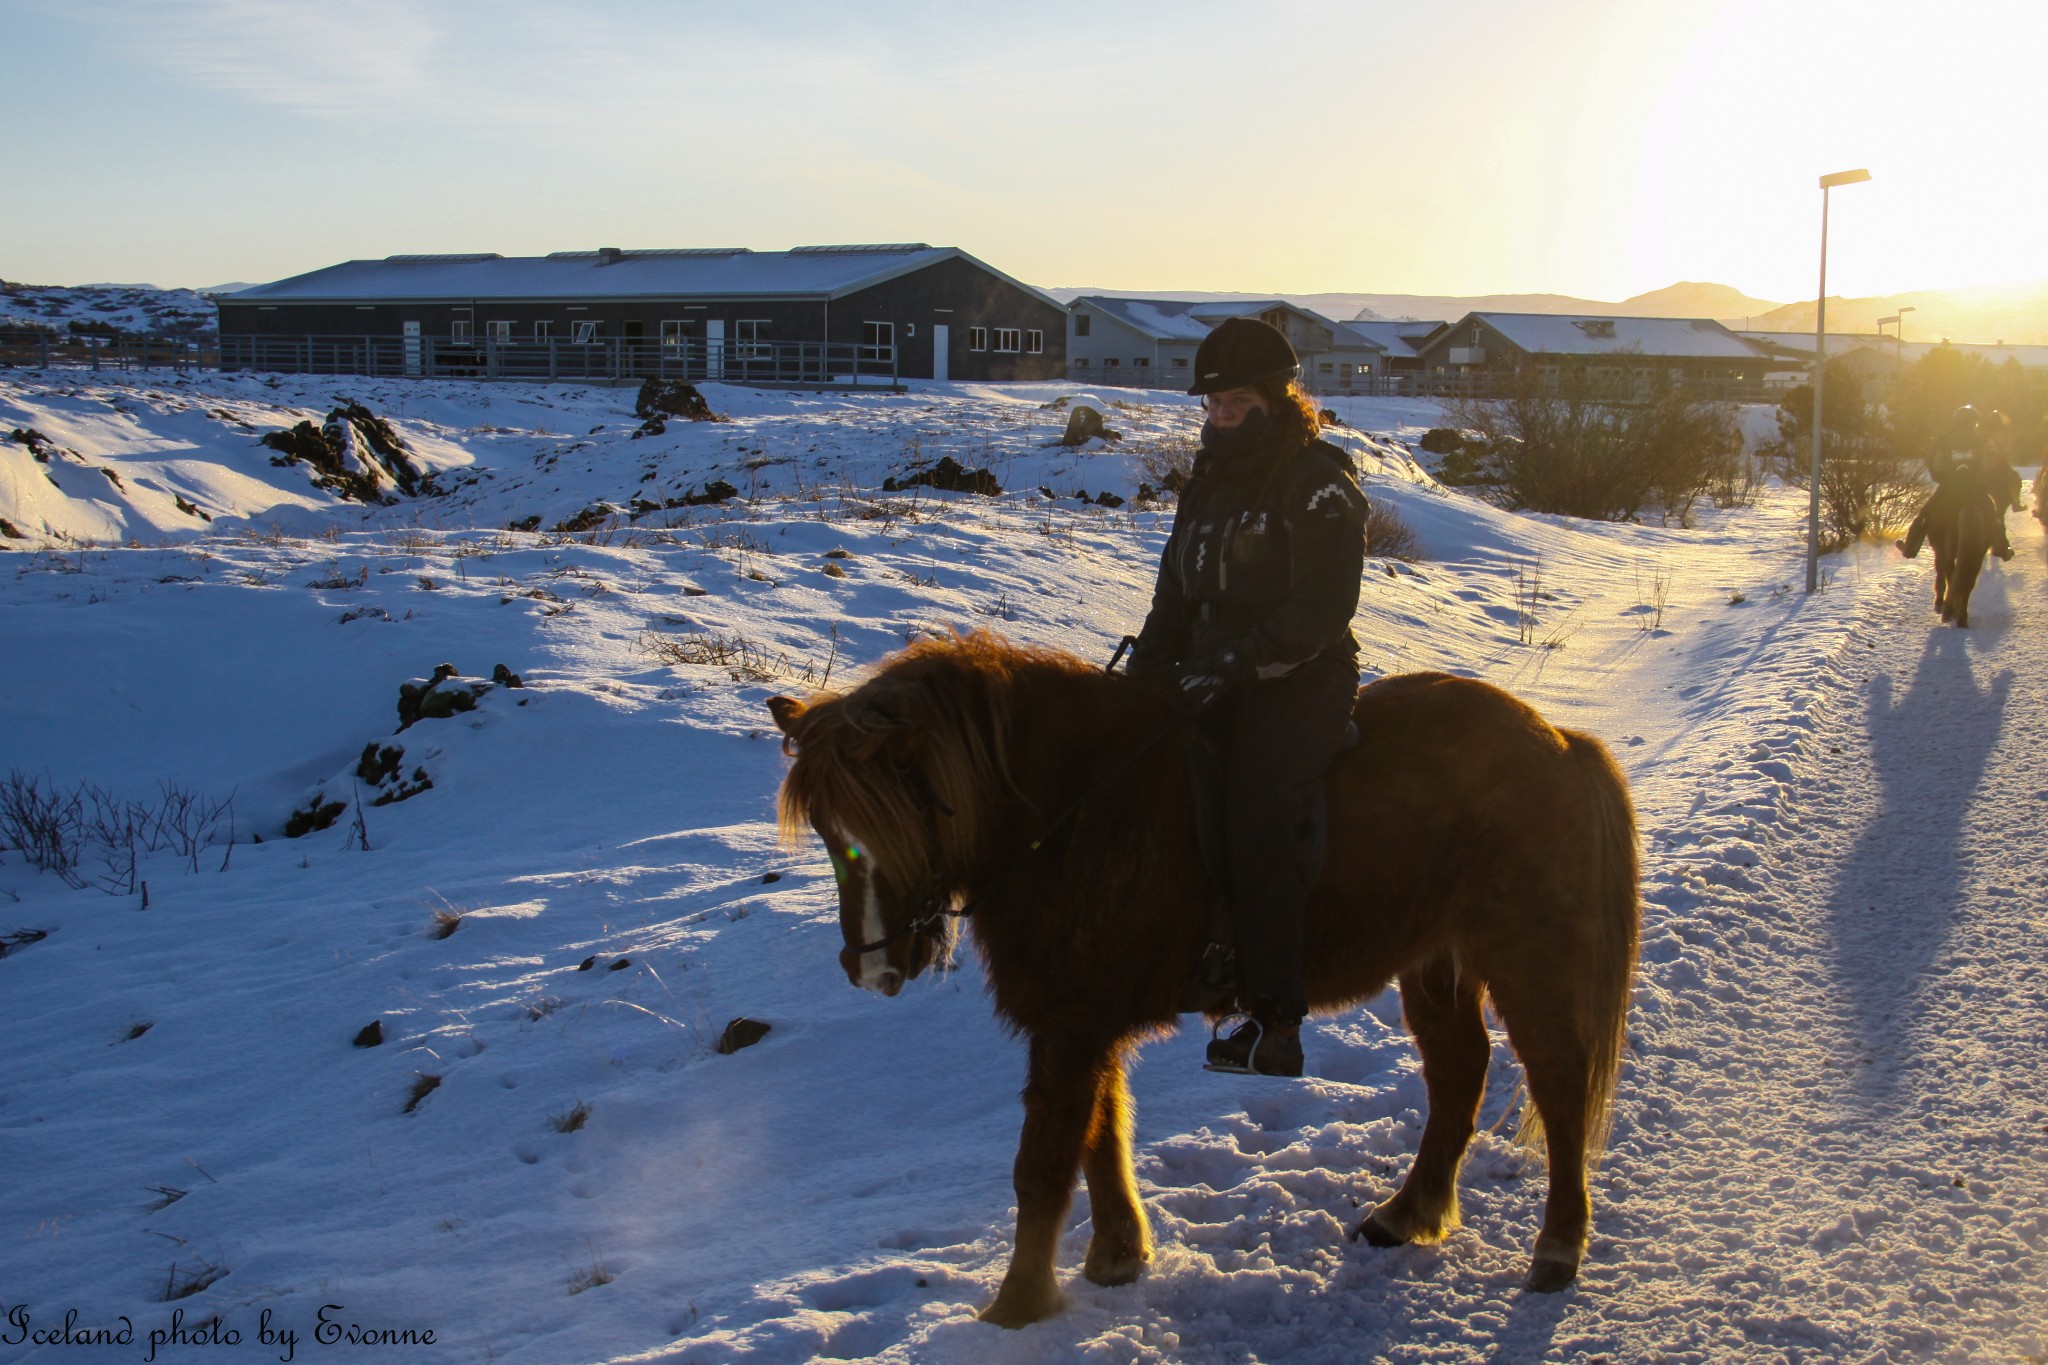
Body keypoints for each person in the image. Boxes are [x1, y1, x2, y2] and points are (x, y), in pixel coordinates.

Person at [1126, 317, 1369, 1077]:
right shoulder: (1209, 480)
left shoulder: (1316, 479)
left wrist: (1240, 660)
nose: (1219, 416)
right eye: (1210, 405)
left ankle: (1274, 1017)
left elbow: (1323, 607)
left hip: (1299, 674)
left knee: (1257, 806)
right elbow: (1175, 592)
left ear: (1275, 396)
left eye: (1232, 401)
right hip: (1208, 667)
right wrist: (1145, 678)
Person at [1897, 405, 2016, 561]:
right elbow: (1986, 464)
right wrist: (1979, 476)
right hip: (1974, 487)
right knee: (1991, 513)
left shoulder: (1944, 439)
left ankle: (1910, 548)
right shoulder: (1980, 439)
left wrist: (1942, 477)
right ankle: (2001, 548)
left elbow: (1935, 464)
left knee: (1925, 514)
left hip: (1949, 486)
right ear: (1975, 423)